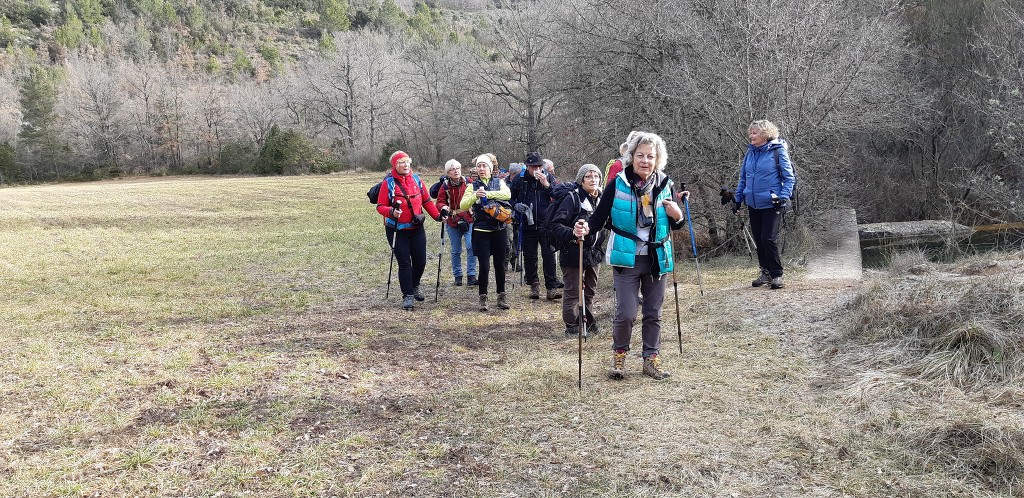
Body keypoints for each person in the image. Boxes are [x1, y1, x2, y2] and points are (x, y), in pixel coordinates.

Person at [577, 131, 686, 381]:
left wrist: (677, 214)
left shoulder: (665, 184)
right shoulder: (617, 183)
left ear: (658, 159)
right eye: (640, 155)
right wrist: (585, 227)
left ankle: (651, 359)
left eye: (650, 156)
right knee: (626, 312)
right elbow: (598, 217)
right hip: (627, 258)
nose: (645, 161)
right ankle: (619, 355)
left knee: (653, 312)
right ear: (631, 157)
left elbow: (676, 224)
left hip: (657, 257)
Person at [376, 151, 447, 311]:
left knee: (420, 261)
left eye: (407, 161)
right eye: (401, 162)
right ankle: (407, 295)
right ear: (394, 165)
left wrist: (438, 216)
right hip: (396, 230)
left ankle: (415, 285)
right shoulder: (388, 184)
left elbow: (427, 201)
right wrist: (391, 213)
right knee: (405, 263)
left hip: (416, 228)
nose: (406, 165)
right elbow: (380, 207)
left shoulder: (417, 180)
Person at [733, 119, 796, 289]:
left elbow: (789, 178)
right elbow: (743, 178)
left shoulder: (778, 151)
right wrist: (737, 200)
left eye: (754, 133)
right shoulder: (750, 153)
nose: (750, 136)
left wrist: (784, 197)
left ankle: (777, 274)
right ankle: (765, 272)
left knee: (768, 238)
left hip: (772, 204)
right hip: (753, 204)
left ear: (765, 134)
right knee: (759, 240)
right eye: (750, 133)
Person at [547, 164, 607, 337]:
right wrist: (573, 233)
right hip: (573, 250)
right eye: (589, 176)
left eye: (596, 176)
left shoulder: (601, 199)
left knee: (590, 290)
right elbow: (555, 225)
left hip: (594, 252)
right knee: (573, 291)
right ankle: (572, 327)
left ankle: (586, 321)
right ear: (581, 180)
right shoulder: (572, 199)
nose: (593, 179)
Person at [460, 154, 512, 311]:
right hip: (481, 230)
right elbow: (463, 205)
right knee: (484, 266)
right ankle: (483, 298)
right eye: (479, 166)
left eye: (484, 166)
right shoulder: (472, 186)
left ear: (491, 168)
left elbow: (507, 195)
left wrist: (488, 194)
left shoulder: (499, 182)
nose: (481, 169)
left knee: (500, 265)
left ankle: (501, 297)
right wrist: (475, 195)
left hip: (499, 229)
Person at [510, 152, 561, 300]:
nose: (537, 169)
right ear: (527, 167)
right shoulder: (519, 179)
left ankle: (551, 287)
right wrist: (516, 205)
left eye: (539, 166)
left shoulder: (548, 177)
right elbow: (510, 198)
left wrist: (546, 184)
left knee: (549, 255)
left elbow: (557, 195)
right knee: (530, 256)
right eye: (533, 166)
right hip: (527, 223)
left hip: (547, 223)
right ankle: (534, 285)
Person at [436, 159, 477, 287]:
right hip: (452, 221)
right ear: (448, 173)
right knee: (456, 250)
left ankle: (471, 275)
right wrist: (443, 207)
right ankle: (457, 276)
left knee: (471, 247)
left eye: (458, 168)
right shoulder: (445, 186)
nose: (456, 171)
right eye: (453, 169)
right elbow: (439, 201)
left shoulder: (469, 183)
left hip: (469, 219)